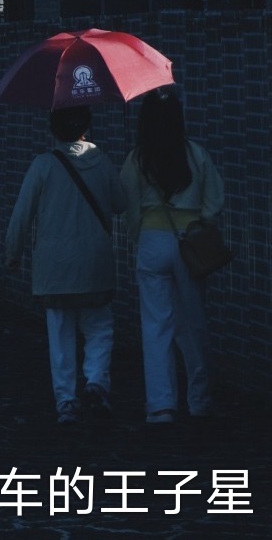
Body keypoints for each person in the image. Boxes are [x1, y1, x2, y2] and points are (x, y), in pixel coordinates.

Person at [4, 103, 119, 426]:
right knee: (99, 327)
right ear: (87, 127)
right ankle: (96, 380)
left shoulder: (43, 165)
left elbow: (22, 213)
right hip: (95, 261)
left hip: (54, 266)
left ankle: (66, 401)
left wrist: (13, 251)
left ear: (52, 130)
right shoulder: (102, 162)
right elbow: (121, 202)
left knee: (61, 333)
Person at [119, 85, 224, 430]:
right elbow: (214, 201)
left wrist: (140, 236)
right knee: (194, 324)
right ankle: (200, 400)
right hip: (189, 240)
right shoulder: (196, 154)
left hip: (152, 239)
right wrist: (200, 224)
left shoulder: (137, 159)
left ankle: (161, 405)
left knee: (156, 325)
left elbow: (128, 206)